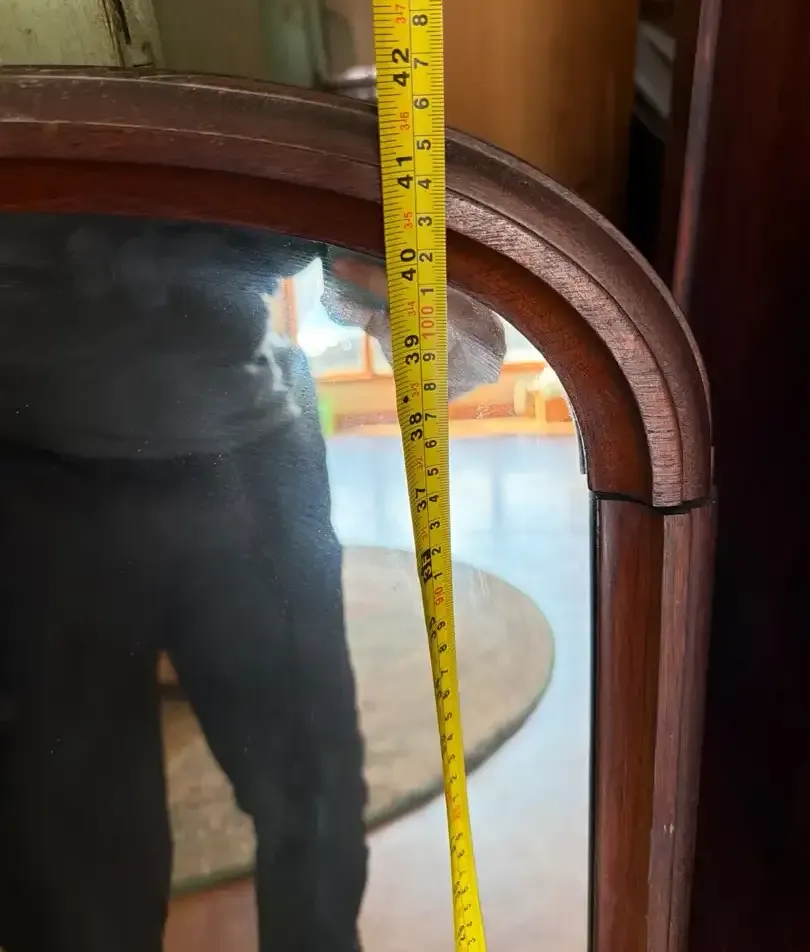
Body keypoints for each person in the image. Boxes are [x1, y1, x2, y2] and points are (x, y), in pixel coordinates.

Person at [0, 213, 505, 952]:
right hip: (28, 470)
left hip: (248, 457)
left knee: (314, 799)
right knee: (70, 851)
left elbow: (456, 353)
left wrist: (384, 257)